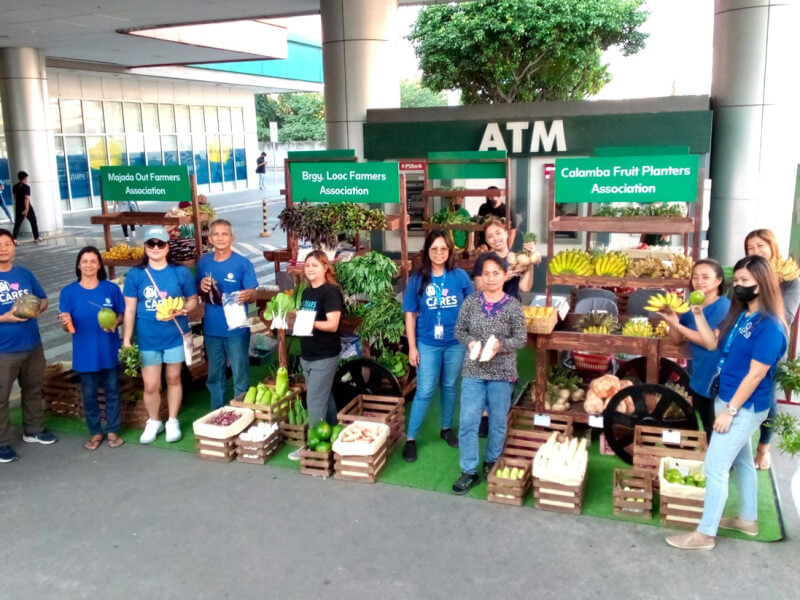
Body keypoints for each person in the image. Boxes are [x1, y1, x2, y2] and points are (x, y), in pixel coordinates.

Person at [666, 255, 787, 550]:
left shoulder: (770, 326)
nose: (740, 286)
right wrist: (695, 312)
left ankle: (704, 535)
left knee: (715, 467)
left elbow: (757, 374)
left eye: (746, 282)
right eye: (739, 281)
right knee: (743, 460)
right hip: (726, 395)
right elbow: (711, 340)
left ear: (763, 284)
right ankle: (748, 519)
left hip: (743, 406)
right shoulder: (743, 314)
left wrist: (730, 411)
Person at [451, 254, 527, 494]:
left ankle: (491, 460)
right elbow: (459, 330)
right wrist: (471, 342)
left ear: (505, 276)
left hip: (502, 372)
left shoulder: (513, 305)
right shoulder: (471, 302)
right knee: (467, 421)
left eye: (496, 273)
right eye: (486, 274)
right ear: (480, 277)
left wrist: (499, 346)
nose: (491, 278)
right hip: (474, 370)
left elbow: (521, 338)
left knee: (497, 421)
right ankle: (469, 470)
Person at [401, 231, 473, 462]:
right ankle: (410, 438)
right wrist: (412, 347)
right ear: (427, 252)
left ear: (449, 251)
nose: (439, 253)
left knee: (451, 386)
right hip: (427, 343)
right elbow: (410, 315)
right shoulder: (416, 280)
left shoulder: (460, 277)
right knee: (425, 390)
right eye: (434, 249)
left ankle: (445, 429)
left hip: (455, 343)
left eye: (443, 249)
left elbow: (471, 307)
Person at [123, 226, 198, 444]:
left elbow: (193, 300)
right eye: (151, 244)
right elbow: (129, 309)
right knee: (151, 384)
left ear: (167, 246)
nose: (156, 248)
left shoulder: (180, 272)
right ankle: (154, 420)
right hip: (147, 338)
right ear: (145, 247)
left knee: (174, 378)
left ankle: (172, 419)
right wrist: (127, 339)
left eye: (160, 244)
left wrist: (183, 310)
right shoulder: (135, 275)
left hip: (175, 334)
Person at [744, 228, 800, 469]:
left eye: (760, 246)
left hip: (770, 344)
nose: (756, 252)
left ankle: (763, 449)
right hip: (744, 342)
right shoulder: (746, 275)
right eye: (750, 249)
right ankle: (740, 444)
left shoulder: (790, 280)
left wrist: (771, 286)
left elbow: (784, 316)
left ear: (772, 247)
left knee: (767, 397)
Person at [59, 247, 125, 450]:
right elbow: (66, 325)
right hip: (85, 354)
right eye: (85, 261)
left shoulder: (110, 289)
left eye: (93, 261)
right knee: (89, 395)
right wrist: (65, 323)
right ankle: (96, 431)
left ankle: (113, 430)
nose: (89, 265)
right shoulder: (68, 292)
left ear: (99, 265)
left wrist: (115, 323)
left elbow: (121, 314)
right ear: (78, 265)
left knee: (113, 391)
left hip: (109, 350)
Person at [0, 228, 57, 463]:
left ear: (14, 246)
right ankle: (2, 442)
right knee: (0, 398)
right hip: (3, 349)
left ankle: (33, 430)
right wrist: (5, 317)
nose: (3, 248)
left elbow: (43, 299)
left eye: (7, 243)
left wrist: (38, 308)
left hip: (32, 345)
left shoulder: (24, 274)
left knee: (33, 389)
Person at [660, 259, 730, 437]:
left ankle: (718, 462)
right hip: (698, 372)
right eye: (695, 277)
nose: (699, 281)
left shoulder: (724, 306)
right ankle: (709, 459)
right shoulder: (690, 305)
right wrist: (671, 322)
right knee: (707, 423)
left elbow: (709, 342)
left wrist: (680, 326)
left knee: (719, 426)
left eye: (706, 277)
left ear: (718, 281)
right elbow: (677, 340)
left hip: (718, 374)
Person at [197, 219, 258, 409]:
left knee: (240, 373)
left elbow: (253, 293)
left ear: (232, 237)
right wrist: (201, 287)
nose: (221, 238)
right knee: (215, 374)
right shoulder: (204, 262)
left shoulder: (243, 263)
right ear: (209, 239)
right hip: (212, 328)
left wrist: (249, 295)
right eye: (216, 234)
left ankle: (242, 412)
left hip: (236, 328)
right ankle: (218, 410)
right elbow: (198, 291)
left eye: (225, 234)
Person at [472, 218, 534, 301]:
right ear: (487, 241)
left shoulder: (516, 258)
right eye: (490, 236)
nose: (495, 238)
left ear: (506, 234)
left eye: (498, 233)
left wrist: (529, 263)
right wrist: (503, 278)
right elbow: (479, 290)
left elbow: (525, 288)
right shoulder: (483, 260)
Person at [11, 171, 44, 246]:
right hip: (27, 207)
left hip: (18, 207)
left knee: (17, 223)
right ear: (25, 178)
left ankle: (14, 239)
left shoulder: (15, 187)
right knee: (33, 221)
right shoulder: (26, 187)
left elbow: (15, 197)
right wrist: (26, 209)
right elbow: (26, 198)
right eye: (26, 178)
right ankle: (36, 237)